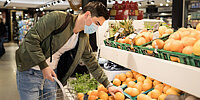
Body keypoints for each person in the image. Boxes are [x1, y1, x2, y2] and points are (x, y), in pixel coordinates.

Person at [16, 1, 122, 100]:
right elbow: (31, 40)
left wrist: (108, 85)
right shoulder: (57, 18)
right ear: (87, 15)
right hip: (30, 71)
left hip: (51, 75)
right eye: (97, 23)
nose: (96, 28)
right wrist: (44, 66)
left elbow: (91, 62)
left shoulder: (83, 37)